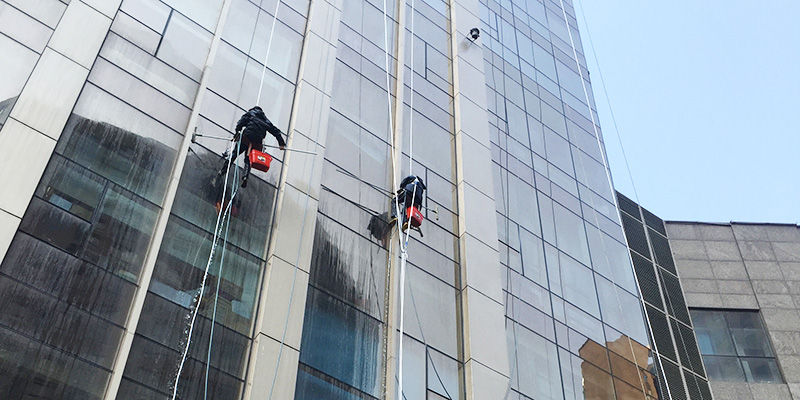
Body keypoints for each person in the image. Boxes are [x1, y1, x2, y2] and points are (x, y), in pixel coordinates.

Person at [220, 106, 285, 188]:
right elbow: (276, 132)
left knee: (234, 154)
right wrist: (281, 144)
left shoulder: (250, 114)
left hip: (246, 137)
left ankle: (223, 171)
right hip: (256, 141)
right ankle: (245, 176)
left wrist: (236, 133)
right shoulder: (266, 120)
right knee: (248, 159)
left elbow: (240, 123)